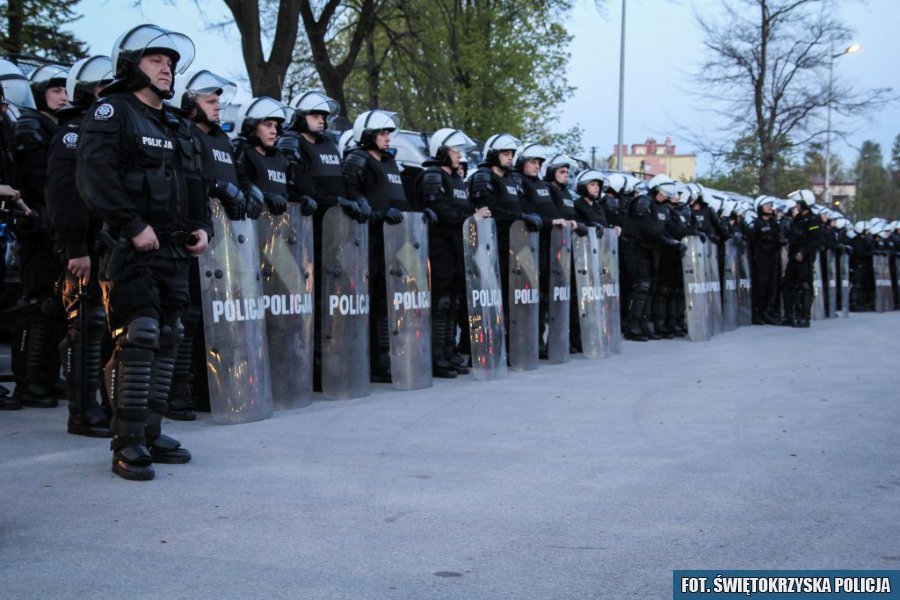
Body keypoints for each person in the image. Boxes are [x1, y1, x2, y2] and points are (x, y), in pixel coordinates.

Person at [76, 24, 210, 481]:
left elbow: (195, 183)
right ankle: (127, 443)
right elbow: (94, 176)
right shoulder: (112, 111)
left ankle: (151, 432)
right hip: (129, 249)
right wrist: (132, 226)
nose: (167, 69)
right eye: (156, 61)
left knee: (170, 333)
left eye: (170, 63)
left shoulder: (175, 124)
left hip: (173, 249)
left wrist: (202, 227)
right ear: (133, 66)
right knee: (141, 334)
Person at [168, 68, 245, 419]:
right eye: (210, 101)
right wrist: (217, 190)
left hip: (224, 245)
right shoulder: (181, 133)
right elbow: (184, 180)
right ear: (188, 102)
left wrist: (245, 191)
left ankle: (207, 388)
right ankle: (177, 392)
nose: (218, 107)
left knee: (215, 315)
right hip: (191, 237)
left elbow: (232, 177)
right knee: (189, 317)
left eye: (218, 101)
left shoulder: (221, 139)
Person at [45, 56, 115, 436]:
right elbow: (64, 196)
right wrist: (75, 249)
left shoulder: (104, 129)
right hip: (84, 248)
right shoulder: (73, 132)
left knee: (106, 331)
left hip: (107, 248)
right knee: (85, 328)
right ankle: (82, 413)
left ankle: (103, 407)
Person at [276, 90, 348, 390]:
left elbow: (339, 181)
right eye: (316, 115)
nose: (321, 120)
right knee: (301, 300)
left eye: (324, 116)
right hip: (301, 234)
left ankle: (325, 365)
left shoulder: (330, 145)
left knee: (328, 301)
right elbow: (286, 183)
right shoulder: (292, 143)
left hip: (332, 233)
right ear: (301, 117)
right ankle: (303, 366)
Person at [342, 109, 416, 383]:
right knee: (372, 302)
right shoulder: (357, 160)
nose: (388, 138)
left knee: (390, 302)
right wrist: (378, 215)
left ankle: (390, 355)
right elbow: (352, 201)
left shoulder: (389, 162)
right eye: (383, 133)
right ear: (368, 135)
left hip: (396, 242)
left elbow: (400, 199)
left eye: (388, 133)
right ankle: (375, 360)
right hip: (369, 242)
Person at [11, 63, 70, 408]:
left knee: (58, 307)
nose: (63, 96)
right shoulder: (32, 126)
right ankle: (30, 382)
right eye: (55, 90)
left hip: (56, 225)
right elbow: (40, 180)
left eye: (65, 90)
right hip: (39, 226)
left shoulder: (57, 127)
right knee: (39, 307)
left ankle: (47, 377)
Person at [415, 128, 484, 378]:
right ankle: (436, 357)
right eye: (456, 151)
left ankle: (449, 351)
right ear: (442, 151)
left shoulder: (456, 179)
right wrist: (471, 218)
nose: (459, 156)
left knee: (453, 304)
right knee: (440, 304)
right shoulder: (433, 176)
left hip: (457, 251)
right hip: (439, 250)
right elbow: (441, 212)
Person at [620, 174, 684, 341]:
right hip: (636, 249)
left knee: (649, 289)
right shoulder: (643, 201)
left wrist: (674, 240)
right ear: (655, 188)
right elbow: (647, 228)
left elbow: (666, 229)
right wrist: (669, 241)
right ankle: (631, 326)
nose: (665, 196)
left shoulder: (663, 207)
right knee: (641, 287)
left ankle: (643, 325)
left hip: (653, 251)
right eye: (662, 192)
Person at [782, 189, 821, 327]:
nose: (797, 206)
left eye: (799, 203)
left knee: (805, 286)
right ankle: (789, 316)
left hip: (805, 258)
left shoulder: (814, 220)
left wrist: (803, 252)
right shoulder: (797, 218)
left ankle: (804, 317)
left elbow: (814, 240)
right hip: (793, 256)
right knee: (788, 285)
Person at [748, 195, 782, 324]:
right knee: (760, 287)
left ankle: (767, 311)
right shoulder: (756, 223)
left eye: (770, 205)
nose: (770, 208)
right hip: (761, 259)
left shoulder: (773, 222)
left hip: (772, 258)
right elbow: (752, 242)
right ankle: (757, 313)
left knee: (771, 286)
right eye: (767, 205)